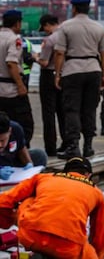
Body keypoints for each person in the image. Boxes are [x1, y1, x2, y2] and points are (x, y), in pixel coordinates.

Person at [0, 156, 104, 258]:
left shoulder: (43, 178)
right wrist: (98, 254)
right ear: (88, 175)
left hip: (30, 237)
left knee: (29, 201)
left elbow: (4, 201)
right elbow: (100, 237)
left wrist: (8, 221)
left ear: (64, 171)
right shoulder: (96, 192)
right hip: (68, 248)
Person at [54, 0, 104, 159]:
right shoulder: (98, 27)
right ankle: (88, 146)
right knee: (90, 109)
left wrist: (58, 74)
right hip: (93, 69)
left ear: (74, 8)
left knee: (72, 110)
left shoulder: (66, 26)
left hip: (72, 70)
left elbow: (59, 52)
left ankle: (73, 146)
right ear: (89, 8)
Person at [0, 10, 34, 148]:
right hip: (11, 90)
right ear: (17, 23)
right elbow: (11, 63)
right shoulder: (14, 39)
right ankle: (21, 152)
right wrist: (20, 85)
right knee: (25, 124)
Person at [35, 14, 66, 157]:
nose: (45, 31)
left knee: (48, 114)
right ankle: (67, 144)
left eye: (45, 28)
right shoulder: (66, 35)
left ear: (48, 24)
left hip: (48, 76)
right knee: (63, 112)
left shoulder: (49, 40)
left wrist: (35, 57)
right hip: (63, 75)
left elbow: (44, 62)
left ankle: (51, 148)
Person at [0, 111, 47, 180]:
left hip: (11, 162)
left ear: (10, 131)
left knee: (39, 155)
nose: (0, 145)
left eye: (2, 140)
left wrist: (29, 164)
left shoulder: (16, 129)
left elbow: (21, 148)